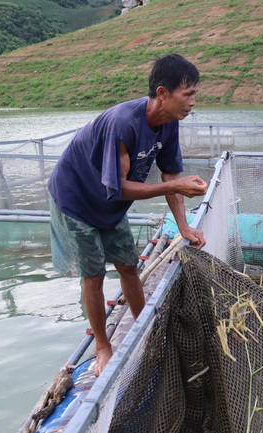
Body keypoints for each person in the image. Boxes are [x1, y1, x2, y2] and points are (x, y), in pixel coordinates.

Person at [48, 53, 207, 376]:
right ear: (162, 93)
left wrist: (184, 226)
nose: (192, 102)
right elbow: (119, 188)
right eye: (187, 94)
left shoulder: (169, 123)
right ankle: (103, 347)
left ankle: (146, 327)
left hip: (109, 201)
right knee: (93, 276)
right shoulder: (124, 123)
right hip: (76, 199)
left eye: (194, 95)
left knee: (128, 266)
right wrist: (174, 185)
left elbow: (169, 175)